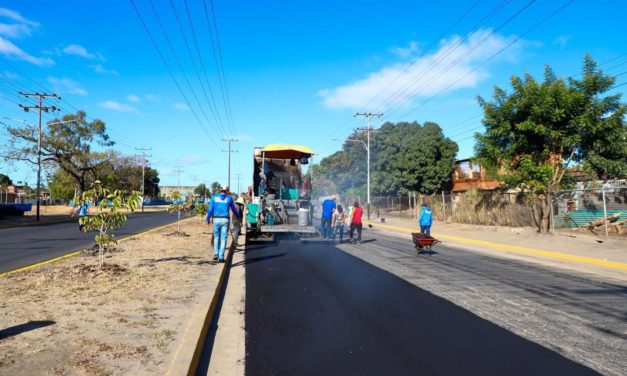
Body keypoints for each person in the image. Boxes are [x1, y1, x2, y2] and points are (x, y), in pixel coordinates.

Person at [206, 187, 241, 263]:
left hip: (216, 219)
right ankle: (221, 257)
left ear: (220, 190)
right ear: (226, 191)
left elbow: (210, 209)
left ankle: (216, 253)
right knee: (223, 238)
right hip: (225, 219)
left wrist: (208, 219)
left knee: (216, 236)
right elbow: (234, 209)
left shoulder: (214, 198)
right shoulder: (229, 198)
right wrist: (238, 217)